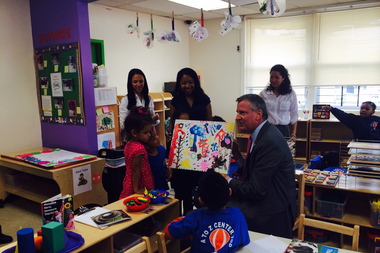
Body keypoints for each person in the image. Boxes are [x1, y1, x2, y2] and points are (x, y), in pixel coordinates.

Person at [223, 94, 297, 239]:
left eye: (242, 113)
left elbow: (256, 190)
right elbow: (253, 173)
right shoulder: (262, 134)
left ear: (258, 114)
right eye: (237, 112)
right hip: (267, 201)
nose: (237, 117)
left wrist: (227, 180)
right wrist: (237, 155)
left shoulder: (269, 142)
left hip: (272, 213)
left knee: (212, 205)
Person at [165, 169, 250, 253]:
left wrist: (183, 219)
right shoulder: (237, 214)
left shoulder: (196, 217)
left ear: (200, 200)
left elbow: (169, 232)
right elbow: (245, 240)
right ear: (229, 192)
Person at [168, 67, 213, 215]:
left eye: (190, 82)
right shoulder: (175, 101)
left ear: (196, 82)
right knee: (182, 189)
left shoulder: (204, 99)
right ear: (179, 85)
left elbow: (210, 123)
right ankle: (183, 221)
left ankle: (200, 218)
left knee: (201, 187)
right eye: (183, 83)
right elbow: (172, 127)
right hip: (182, 150)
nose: (187, 86)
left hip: (200, 148)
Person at [119, 106, 155, 199]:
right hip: (139, 182)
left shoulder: (128, 144)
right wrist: (136, 189)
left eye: (150, 132)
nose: (149, 135)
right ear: (134, 133)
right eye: (146, 132)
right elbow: (136, 171)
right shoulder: (139, 149)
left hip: (129, 180)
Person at [259, 64, 298, 139]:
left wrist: (293, 134)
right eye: (271, 77)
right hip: (267, 128)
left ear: (283, 78)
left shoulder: (290, 94)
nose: (273, 80)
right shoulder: (264, 94)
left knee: (282, 150)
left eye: (277, 77)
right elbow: (259, 112)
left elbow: (294, 114)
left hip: (283, 129)